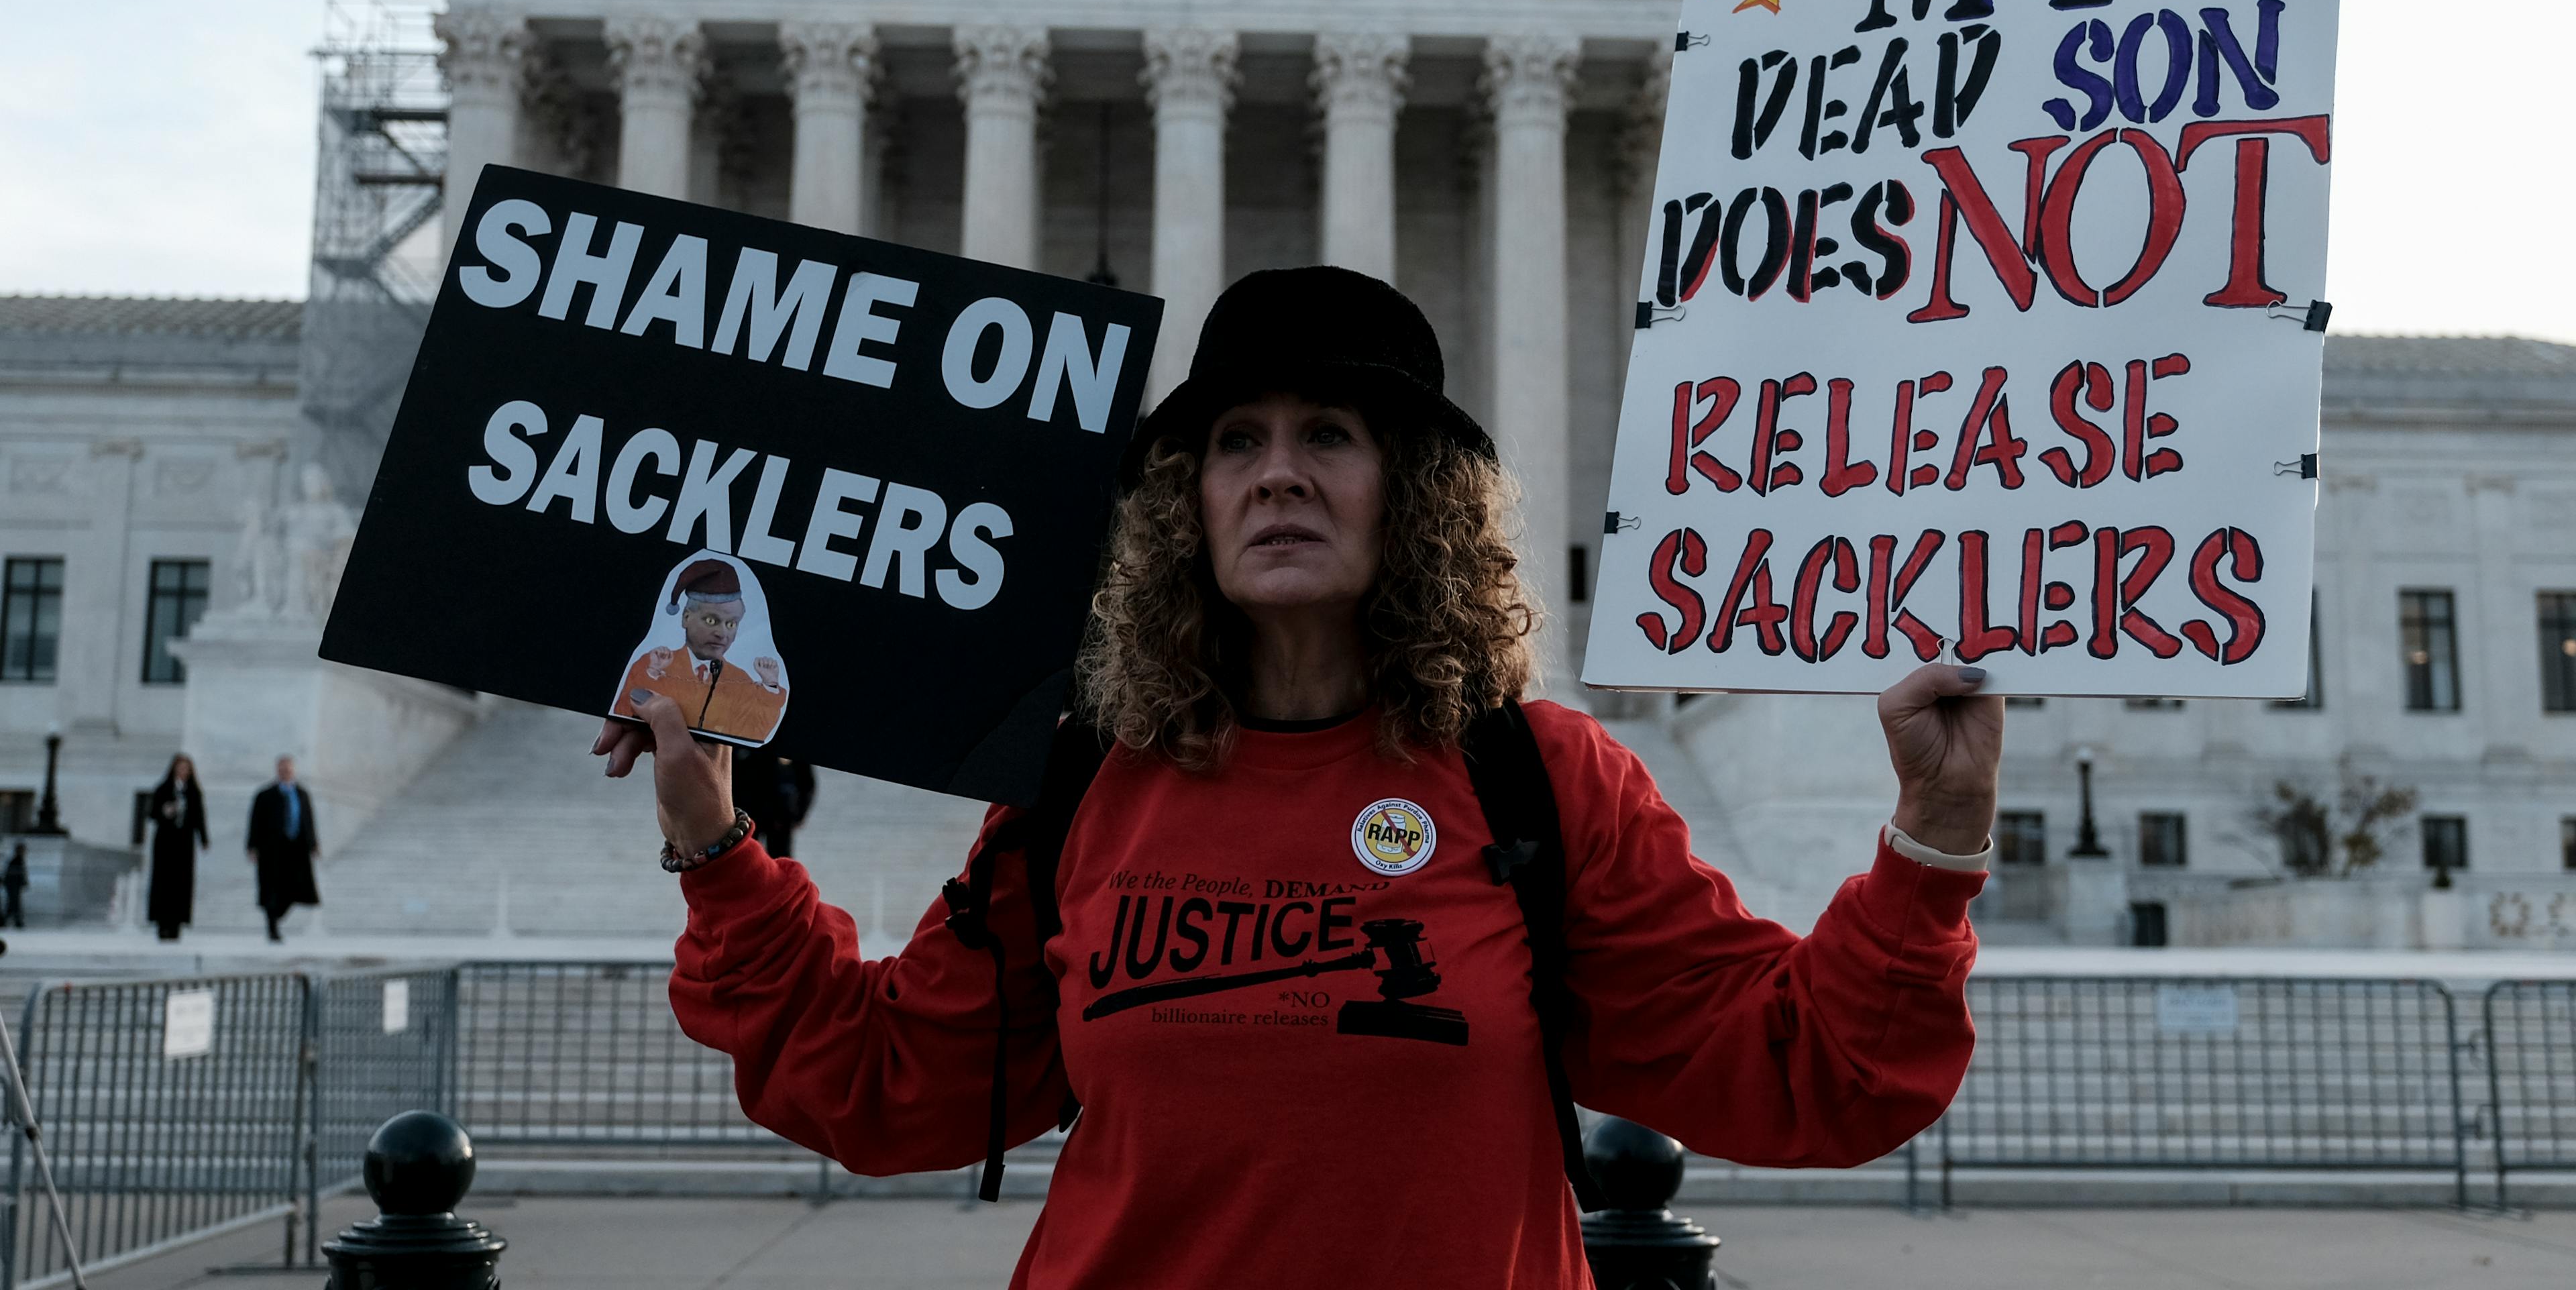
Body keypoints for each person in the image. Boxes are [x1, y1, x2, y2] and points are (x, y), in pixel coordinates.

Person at [598, 267, 2002, 1290]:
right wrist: (715, 841)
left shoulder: (1543, 781)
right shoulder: (1086, 786)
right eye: (1237, 442)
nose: (1278, 475)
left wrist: (1935, 835)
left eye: (1328, 433)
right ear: (1189, 505)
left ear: (1413, 493)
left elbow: (1803, 1072)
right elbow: (890, 1079)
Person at [614, 559, 788, 745]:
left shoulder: (740, 680)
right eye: (712, 621)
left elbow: (754, 733)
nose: (722, 634)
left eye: (731, 624)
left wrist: (770, 686)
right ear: (686, 618)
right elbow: (624, 713)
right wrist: (652, 675)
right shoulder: (653, 665)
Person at [246, 755, 319, 942]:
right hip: (272, 850)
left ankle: (276, 914)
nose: (286, 771)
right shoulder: (265, 795)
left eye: (288, 768)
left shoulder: (302, 794)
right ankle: (272, 926)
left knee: (294, 887)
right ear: (277, 770)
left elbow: (308, 821)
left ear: (293, 770)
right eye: (282, 768)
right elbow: (255, 822)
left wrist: (313, 844)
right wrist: (252, 846)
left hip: (296, 849)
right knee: (272, 888)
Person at [146, 752, 209, 940]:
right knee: (163, 882)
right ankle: (162, 923)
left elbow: (199, 817)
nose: (183, 772)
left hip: (184, 843)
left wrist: (204, 839)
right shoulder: (163, 789)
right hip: (165, 843)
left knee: (181, 883)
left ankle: (177, 923)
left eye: (186, 769)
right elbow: (152, 813)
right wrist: (164, 811)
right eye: (180, 768)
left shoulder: (194, 792)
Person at [729, 754, 816, 861]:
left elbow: (807, 784)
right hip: (752, 813)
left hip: (780, 817)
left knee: (781, 860)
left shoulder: (793, 752)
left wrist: (798, 814)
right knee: (748, 858)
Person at [1, 842, 25, 929]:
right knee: (14, 903)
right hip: (13, 885)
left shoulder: (17, 860)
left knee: (12, 903)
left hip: (13, 885)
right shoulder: (17, 860)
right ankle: (16, 921)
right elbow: (16, 874)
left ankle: (6, 921)